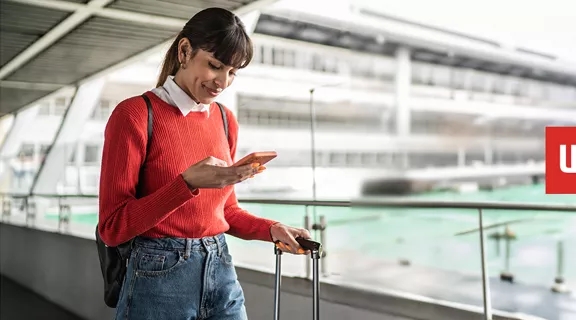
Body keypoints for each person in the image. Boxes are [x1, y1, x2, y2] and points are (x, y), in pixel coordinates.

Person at [97, 7, 311, 320]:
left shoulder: (226, 120)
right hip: (157, 277)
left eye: (233, 71)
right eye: (215, 65)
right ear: (184, 51)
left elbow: (225, 212)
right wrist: (186, 184)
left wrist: (272, 229)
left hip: (220, 268)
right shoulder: (135, 115)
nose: (223, 81)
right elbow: (112, 228)